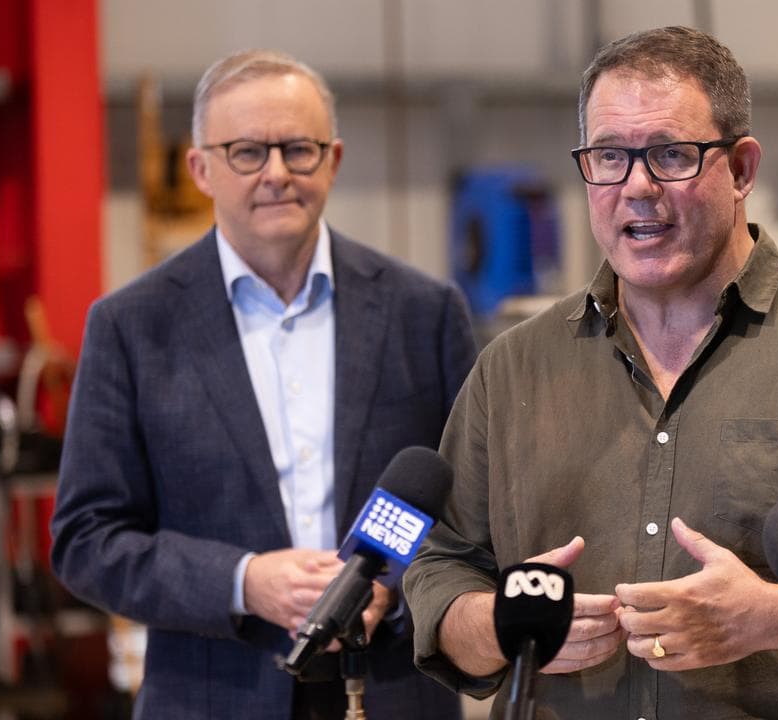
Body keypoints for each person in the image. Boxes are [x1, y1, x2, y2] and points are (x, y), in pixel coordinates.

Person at [402, 26, 778, 719]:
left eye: (672, 156)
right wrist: (504, 630)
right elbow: (440, 570)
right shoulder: (513, 370)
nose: (638, 188)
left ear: (741, 170)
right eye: (609, 157)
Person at [50, 49, 474, 719]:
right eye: (247, 151)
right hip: (212, 695)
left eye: (297, 149)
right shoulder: (132, 327)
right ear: (201, 170)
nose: (276, 174)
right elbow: (87, 541)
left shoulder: (423, 313)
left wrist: (390, 587)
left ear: (332, 160)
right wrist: (244, 582)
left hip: (392, 689)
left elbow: (471, 511)